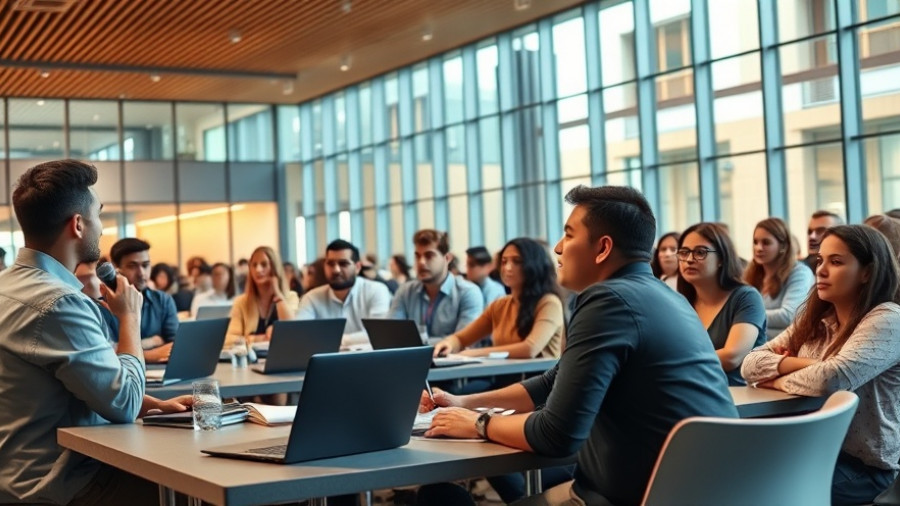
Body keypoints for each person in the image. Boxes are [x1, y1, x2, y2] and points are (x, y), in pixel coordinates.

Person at [420, 185, 737, 506]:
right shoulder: (669, 298)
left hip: (633, 498)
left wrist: (480, 424)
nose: (558, 248)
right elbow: (552, 381)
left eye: (569, 235)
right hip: (711, 491)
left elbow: (557, 434)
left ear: (603, 248)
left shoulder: (609, 299)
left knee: (439, 498)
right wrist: (464, 402)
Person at [0, 159, 191, 505]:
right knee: (191, 488)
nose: (101, 228)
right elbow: (123, 403)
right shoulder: (59, 303)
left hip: (13, 476)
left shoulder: (7, 287)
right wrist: (129, 318)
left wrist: (152, 404)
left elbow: (70, 384)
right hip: (60, 485)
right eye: (98, 215)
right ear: (77, 224)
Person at [742, 225, 900, 505]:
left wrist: (776, 378)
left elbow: (830, 380)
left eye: (836, 262)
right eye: (820, 261)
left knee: (760, 489)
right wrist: (811, 363)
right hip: (814, 448)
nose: (821, 271)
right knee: (736, 472)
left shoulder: (887, 318)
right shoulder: (817, 319)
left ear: (867, 272)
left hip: (868, 469)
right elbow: (750, 364)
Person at [434, 238, 563, 360]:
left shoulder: (549, 303)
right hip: (504, 373)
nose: (507, 268)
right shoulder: (499, 305)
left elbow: (530, 349)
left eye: (517, 261)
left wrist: (473, 353)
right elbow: (461, 338)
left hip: (541, 375)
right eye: (504, 261)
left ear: (534, 265)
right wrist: (448, 343)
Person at [677, 222, 767, 385]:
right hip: (692, 388)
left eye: (700, 252)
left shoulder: (747, 297)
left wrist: (675, 364)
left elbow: (732, 357)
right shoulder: (681, 302)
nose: (689, 260)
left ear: (721, 258)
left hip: (737, 393)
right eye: (684, 252)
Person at [296, 239, 392, 347]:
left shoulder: (376, 290)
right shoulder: (311, 298)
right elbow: (300, 333)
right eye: (330, 264)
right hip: (327, 357)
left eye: (343, 264)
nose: (336, 270)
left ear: (357, 267)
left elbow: (377, 333)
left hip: (367, 357)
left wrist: (334, 340)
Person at [390, 230, 483, 339]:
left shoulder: (468, 292)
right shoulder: (405, 292)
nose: (421, 262)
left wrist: (415, 342)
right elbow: (392, 336)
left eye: (429, 256)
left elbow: (463, 341)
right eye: (417, 256)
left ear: (447, 258)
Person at [108, 238, 180, 363]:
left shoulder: (163, 300)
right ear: (116, 269)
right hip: (122, 372)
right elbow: (106, 352)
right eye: (132, 266)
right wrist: (152, 350)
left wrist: (125, 349)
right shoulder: (102, 304)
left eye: (145, 265)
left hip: (160, 371)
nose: (141, 273)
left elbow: (175, 346)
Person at [744, 218, 815, 339]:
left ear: (783, 246)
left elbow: (789, 316)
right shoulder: (751, 274)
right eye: (755, 242)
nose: (758, 248)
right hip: (755, 343)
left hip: (786, 345)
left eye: (766, 243)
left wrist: (745, 315)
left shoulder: (800, 272)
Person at [225, 246, 300, 348]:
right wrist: (260, 338)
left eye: (264, 264)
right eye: (254, 265)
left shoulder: (290, 297)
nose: (258, 269)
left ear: (275, 268)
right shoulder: (241, 302)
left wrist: (277, 293)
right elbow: (227, 340)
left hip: (283, 355)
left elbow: (292, 331)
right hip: (251, 357)